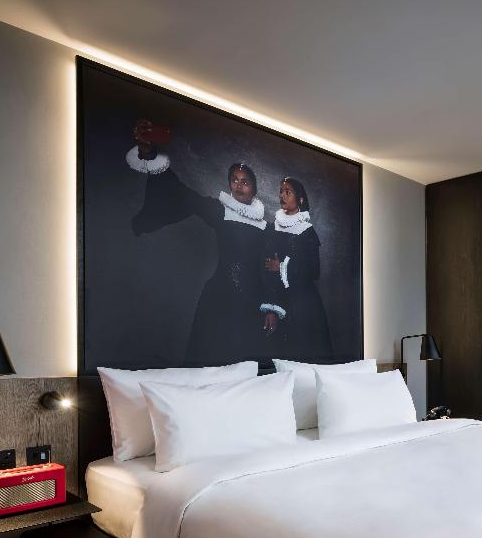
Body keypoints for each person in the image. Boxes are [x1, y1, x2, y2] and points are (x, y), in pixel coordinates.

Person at [126, 119, 285, 365]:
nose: (239, 185)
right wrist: (150, 155)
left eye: (245, 181)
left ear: (254, 188)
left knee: (248, 363)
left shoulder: (267, 227)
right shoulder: (220, 211)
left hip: (253, 302)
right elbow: (183, 194)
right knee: (213, 358)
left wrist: (271, 308)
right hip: (219, 297)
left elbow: (270, 269)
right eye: (234, 180)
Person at [263, 177, 332, 360]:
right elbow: (267, 270)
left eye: (288, 192)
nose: (282, 196)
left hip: (303, 303)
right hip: (279, 298)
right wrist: (271, 308)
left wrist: (282, 266)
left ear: (300, 199)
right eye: (281, 191)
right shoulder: (272, 228)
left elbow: (314, 271)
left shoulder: (307, 231)